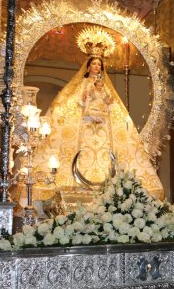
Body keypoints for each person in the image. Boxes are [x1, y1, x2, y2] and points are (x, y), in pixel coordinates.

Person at [31, 28, 164, 201]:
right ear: (88, 66)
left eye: (99, 64)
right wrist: (86, 97)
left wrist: (109, 102)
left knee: (112, 143)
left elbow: (111, 103)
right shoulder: (84, 83)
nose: (97, 66)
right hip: (85, 120)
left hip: (102, 122)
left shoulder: (105, 86)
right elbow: (78, 100)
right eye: (94, 64)